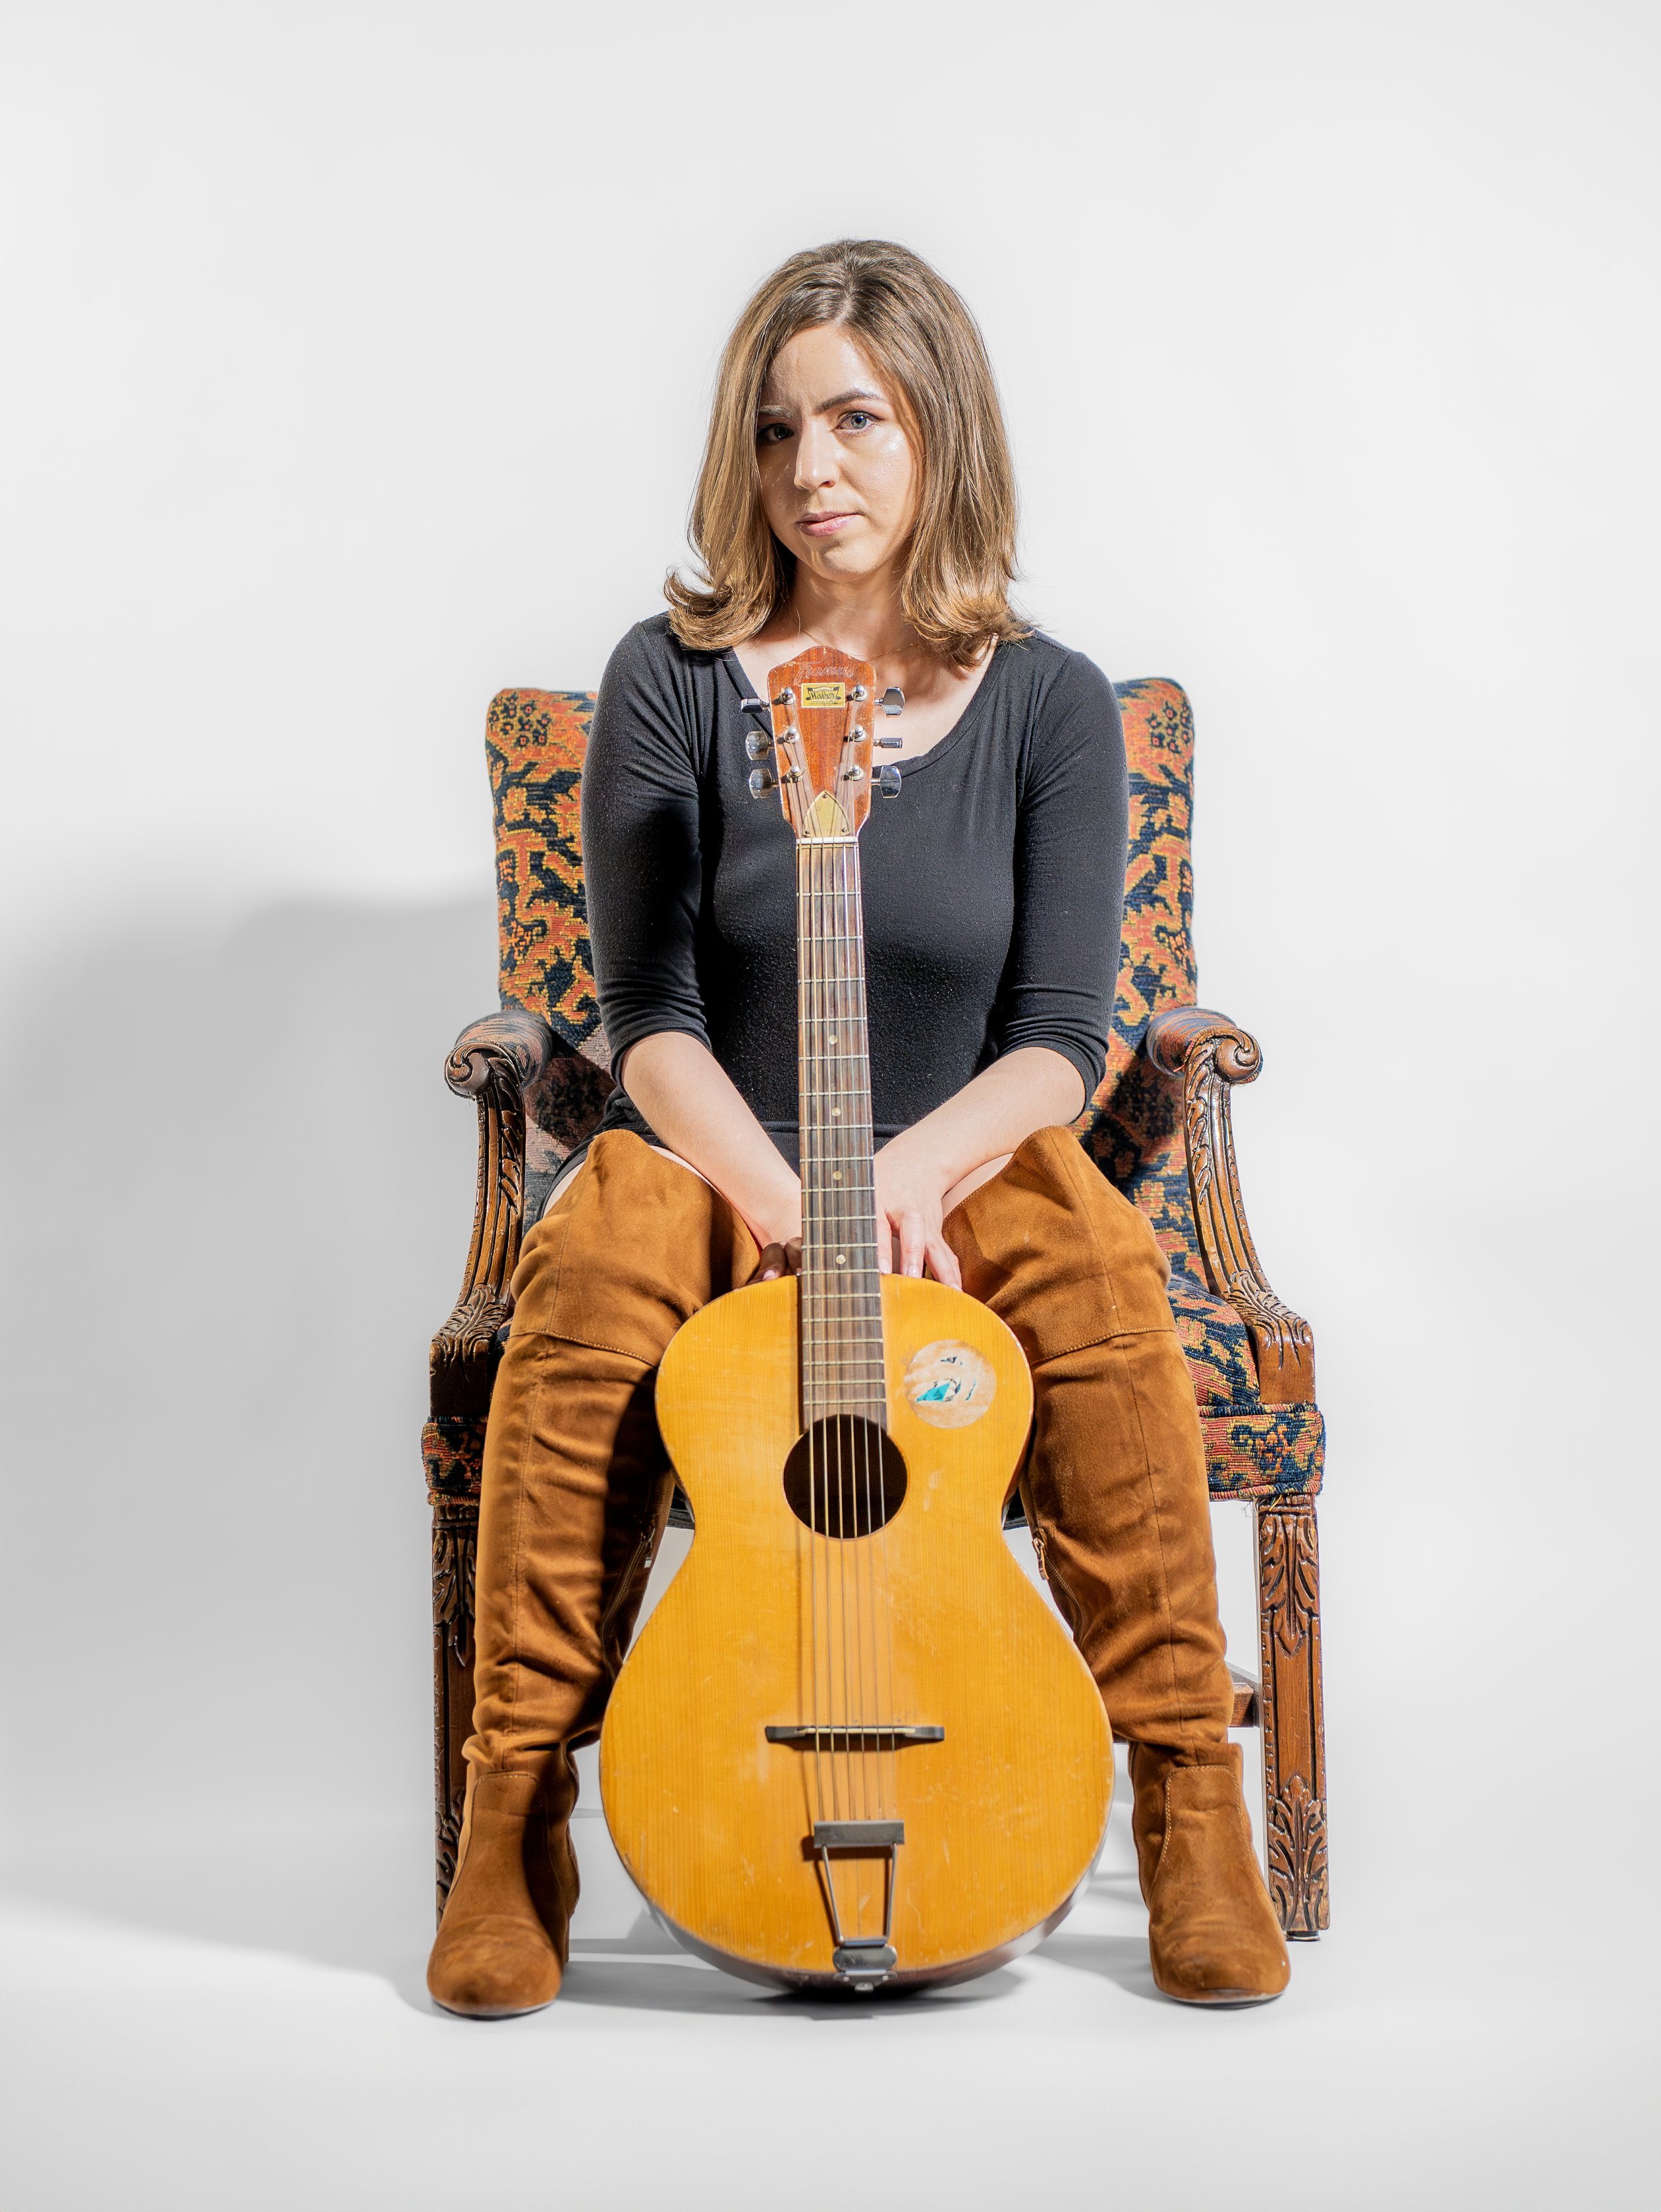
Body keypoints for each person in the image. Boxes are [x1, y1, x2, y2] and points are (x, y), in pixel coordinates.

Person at [426, 238, 1289, 2016]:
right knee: (586, 1275)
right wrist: (779, 1191)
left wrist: (900, 1173)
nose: (807, 471)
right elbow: (644, 1009)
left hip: (957, 1156)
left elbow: (1059, 1036)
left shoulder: (1048, 699)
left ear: (938, 432)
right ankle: (511, 1822)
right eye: (771, 431)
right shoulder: (671, 678)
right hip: (715, 1144)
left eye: (853, 421)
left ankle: (1194, 1809)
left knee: (1104, 1270)